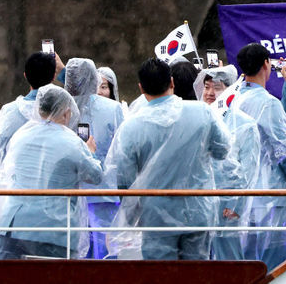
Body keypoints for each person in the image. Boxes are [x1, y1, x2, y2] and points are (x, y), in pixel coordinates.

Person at [106, 58, 230, 260]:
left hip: (155, 216)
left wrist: (131, 215)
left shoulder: (131, 126)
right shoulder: (202, 112)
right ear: (171, 82)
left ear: (141, 88)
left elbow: (124, 178)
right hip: (198, 212)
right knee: (197, 275)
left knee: (161, 276)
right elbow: (223, 150)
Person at [0, 85, 103, 259]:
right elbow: (95, 176)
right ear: (66, 113)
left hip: (13, 226)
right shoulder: (73, 142)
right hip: (54, 231)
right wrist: (91, 153)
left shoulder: (21, 135)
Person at [228, 43, 286, 269]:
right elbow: (283, 150)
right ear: (266, 65)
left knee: (247, 266)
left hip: (241, 196)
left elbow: (281, 124)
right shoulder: (267, 103)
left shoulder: (233, 99)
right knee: (274, 269)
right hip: (269, 197)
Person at [192, 66, 261, 260]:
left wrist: (237, 207)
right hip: (199, 206)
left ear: (230, 90)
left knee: (228, 263)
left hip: (228, 208)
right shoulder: (195, 119)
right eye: (206, 87)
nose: (210, 93)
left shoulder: (245, 124)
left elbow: (249, 171)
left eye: (217, 87)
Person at [64, 58, 126, 259]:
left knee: (82, 252)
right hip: (100, 192)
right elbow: (122, 153)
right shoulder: (111, 109)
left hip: (85, 193)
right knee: (103, 253)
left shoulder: (63, 108)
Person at [0, 51, 62, 168]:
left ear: (25, 75)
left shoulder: (9, 111)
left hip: (15, 182)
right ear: (53, 77)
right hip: (50, 182)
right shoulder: (63, 111)